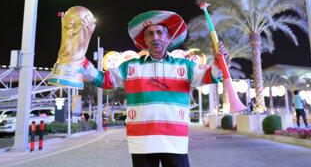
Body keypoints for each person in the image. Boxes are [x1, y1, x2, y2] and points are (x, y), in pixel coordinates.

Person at [83, 10, 228, 167]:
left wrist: (219, 61)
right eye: (150, 34)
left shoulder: (185, 66)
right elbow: (103, 80)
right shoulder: (130, 66)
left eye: (160, 33)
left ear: (168, 38)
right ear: (145, 40)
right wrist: (81, 61)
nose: (155, 38)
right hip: (142, 141)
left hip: (174, 140)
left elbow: (210, 76)